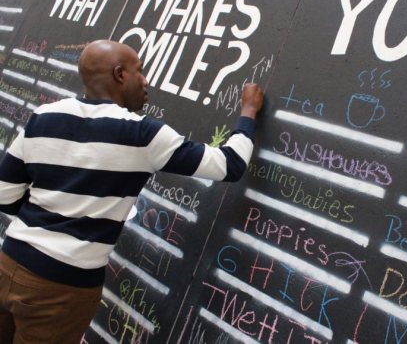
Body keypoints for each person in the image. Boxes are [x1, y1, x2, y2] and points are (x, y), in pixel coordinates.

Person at [0, 40, 264, 343]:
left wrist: (49, 217)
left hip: (8, 264)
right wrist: (248, 110)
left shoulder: (43, 117)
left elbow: (4, 195)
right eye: (140, 71)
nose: (146, 80)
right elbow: (228, 166)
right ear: (120, 74)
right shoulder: (141, 135)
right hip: (62, 288)